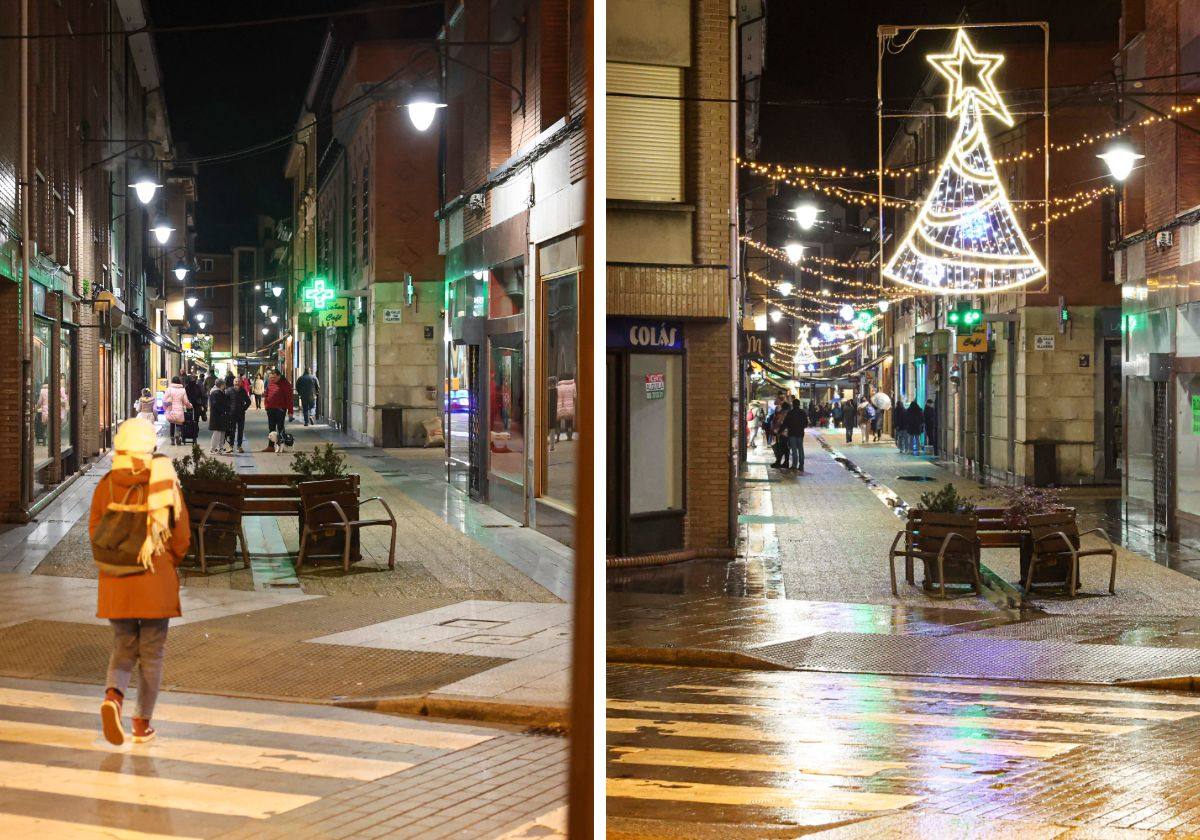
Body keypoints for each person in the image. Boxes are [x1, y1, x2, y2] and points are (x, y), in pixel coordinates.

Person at [93, 417, 190, 746]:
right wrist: (165, 564)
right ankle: (141, 722)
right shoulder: (165, 479)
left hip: (116, 581)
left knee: (123, 647)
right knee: (152, 653)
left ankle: (113, 698)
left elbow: (96, 533)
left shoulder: (106, 483)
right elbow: (181, 537)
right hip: (153, 579)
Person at [263, 369, 294, 451]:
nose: (272, 379)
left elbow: (289, 399)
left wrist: (290, 412)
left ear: (279, 375)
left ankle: (281, 446)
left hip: (280, 409)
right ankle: (271, 446)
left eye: (274, 377)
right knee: (271, 428)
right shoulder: (271, 383)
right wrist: (266, 406)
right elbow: (266, 395)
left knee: (280, 428)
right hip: (270, 409)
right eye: (271, 377)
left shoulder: (285, 384)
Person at [224, 373, 251, 453]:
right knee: (232, 430)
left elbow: (248, 401)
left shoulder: (243, 391)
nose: (237, 382)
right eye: (235, 381)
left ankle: (239, 446)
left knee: (240, 430)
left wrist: (244, 408)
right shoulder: (229, 390)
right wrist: (228, 410)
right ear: (233, 382)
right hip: (231, 414)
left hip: (241, 414)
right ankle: (231, 446)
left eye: (238, 381)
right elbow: (225, 401)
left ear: (241, 382)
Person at [162, 376, 191, 446]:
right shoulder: (182, 390)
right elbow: (186, 401)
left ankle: (172, 440)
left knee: (172, 424)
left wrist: (165, 407)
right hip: (179, 409)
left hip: (171, 409)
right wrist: (189, 406)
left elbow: (164, 400)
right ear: (179, 381)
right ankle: (178, 434)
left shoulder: (169, 389)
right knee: (178, 423)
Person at [783, 398, 808, 472]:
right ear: (799, 404)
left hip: (792, 433)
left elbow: (785, 423)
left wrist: (780, 430)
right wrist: (801, 427)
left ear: (793, 405)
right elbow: (806, 423)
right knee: (800, 449)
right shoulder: (802, 412)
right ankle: (801, 465)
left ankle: (794, 465)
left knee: (794, 450)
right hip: (800, 433)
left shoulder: (790, 413)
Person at [207, 377, 231, 454]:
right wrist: (223, 411)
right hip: (218, 416)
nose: (225, 386)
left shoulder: (218, 392)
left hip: (220, 415)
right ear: (221, 385)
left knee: (221, 432)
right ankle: (213, 448)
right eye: (224, 384)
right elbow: (216, 404)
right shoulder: (216, 393)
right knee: (217, 432)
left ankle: (220, 447)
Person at [770, 401, 790, 468]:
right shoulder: (788, 413)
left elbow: (779, 423)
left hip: (781, 433)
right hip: (787, 433)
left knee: (780, 448)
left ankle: (778, 462)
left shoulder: (782, 413)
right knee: (785, 448)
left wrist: (777, 431)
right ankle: (785, 462)